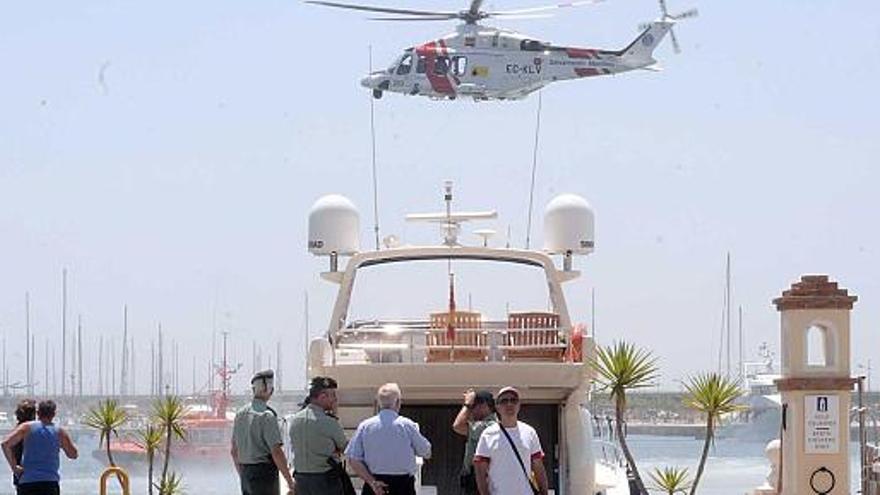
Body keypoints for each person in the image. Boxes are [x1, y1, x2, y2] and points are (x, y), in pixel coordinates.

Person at [346, 383, 431, 495]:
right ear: (398, 402)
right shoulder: (407, 426)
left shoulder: (365, 426)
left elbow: (353, 459)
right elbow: (426, 452)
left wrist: (372, 482)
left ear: (379, 404)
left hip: (375, 486)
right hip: (403, 486)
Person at [473, 386, 549, 495]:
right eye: (504, 401)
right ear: (497, 407)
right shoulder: (487, 434)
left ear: (519, 405)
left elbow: (538, 468)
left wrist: (544, 493)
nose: (509, 404)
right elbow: (480, 470)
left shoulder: (529, 432)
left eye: (513, 400)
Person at [231, 369, 295, 495]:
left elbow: (234, 451)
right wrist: (289, 481)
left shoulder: (239, 415)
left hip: (246, 473)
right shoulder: (267, 416)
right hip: (264, 475)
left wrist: (243, 475)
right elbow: (276, 452)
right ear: (269, 389)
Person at [1, 400, 78, 495]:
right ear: (54, 414)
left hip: (28, 482)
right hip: (49, 482)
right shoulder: (59, 432)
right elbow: (73, 454)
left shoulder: (26, 428)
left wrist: (14, 467)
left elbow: (5, 444)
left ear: (38, 413)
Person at [289, 376, 348, 495]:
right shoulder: (328, 422)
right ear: (322, 397)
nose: (335, 400)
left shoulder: (295, 420)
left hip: (301, 482)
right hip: (325, 481)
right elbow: (346, 447)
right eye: (333, 396)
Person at [452, 390, 496, 495]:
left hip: (481, 479)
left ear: (484, 405)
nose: (470, 411)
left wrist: (467, 404)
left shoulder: (489, 426)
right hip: (474, 479)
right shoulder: (484, 425)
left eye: (473, 406)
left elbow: (458, 426)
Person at [9, 399, 36, 489]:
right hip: (29, 473)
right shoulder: (27, 429)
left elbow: (11, 449)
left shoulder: (18, 429)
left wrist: (14, 466)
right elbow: (6, 445)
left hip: (21, 474)